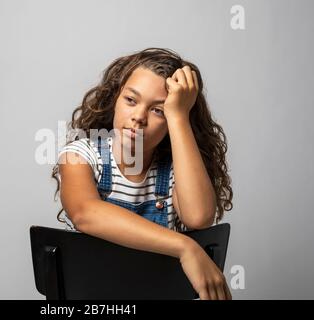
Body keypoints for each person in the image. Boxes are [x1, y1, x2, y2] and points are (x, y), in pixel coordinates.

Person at [51, 47, 233, 300]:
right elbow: (86, 213)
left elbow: (199, 218)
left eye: (158, 110)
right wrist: (185, 247)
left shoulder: (174, 170)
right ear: (115, 98)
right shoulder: (81, 155)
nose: (138, 117)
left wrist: (178, 116)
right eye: (131, 100)